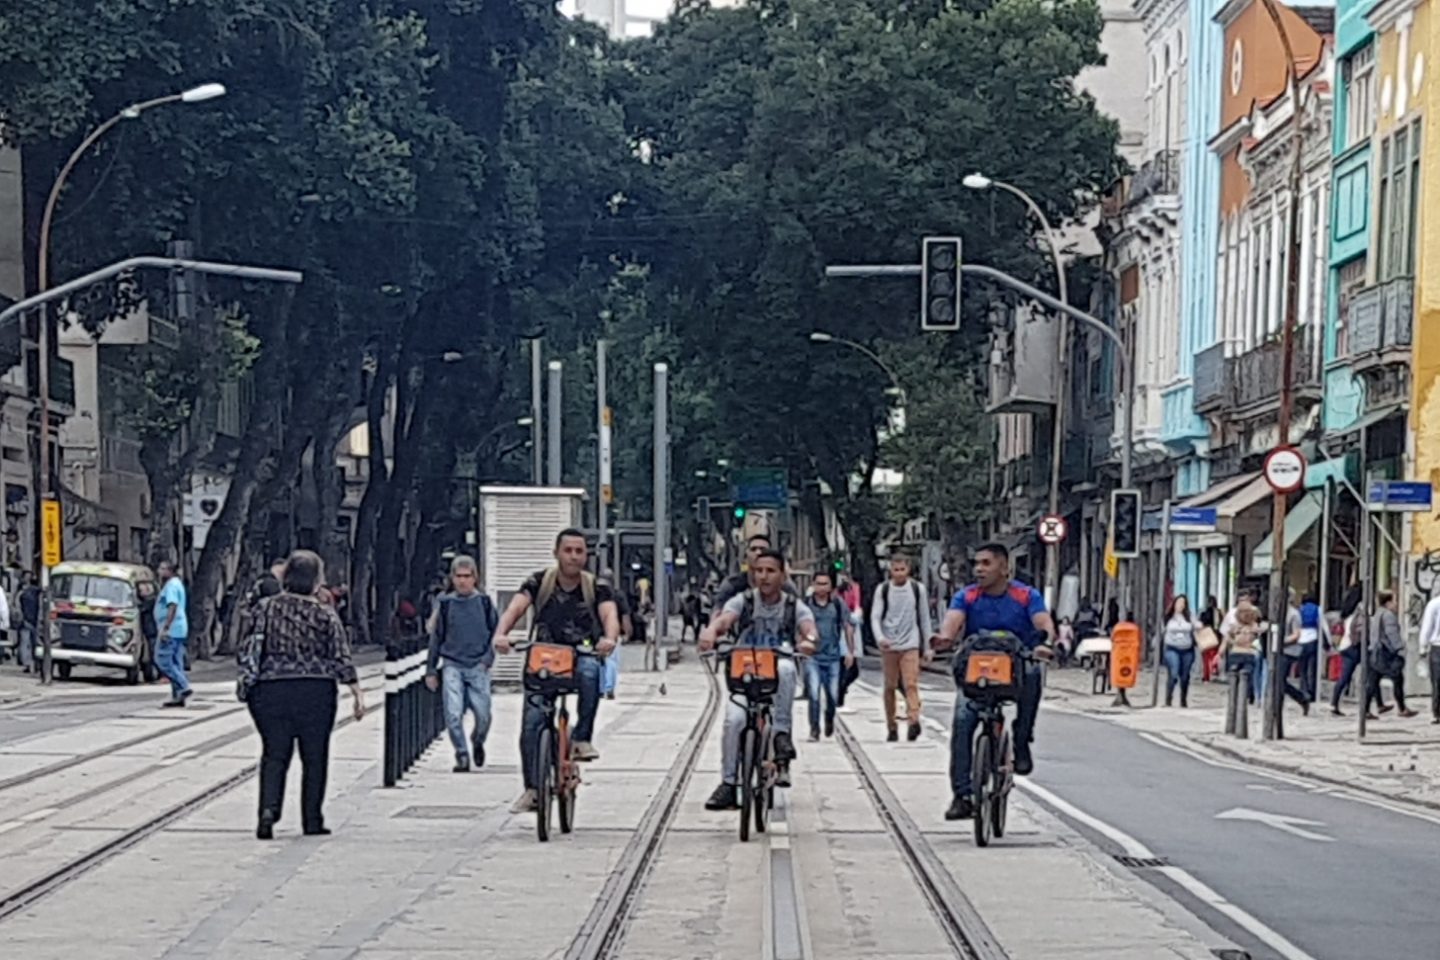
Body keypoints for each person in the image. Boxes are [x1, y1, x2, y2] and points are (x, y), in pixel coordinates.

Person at [494, 529, 619, 814]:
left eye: (579, 551)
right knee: (531, 724)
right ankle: (533, 789)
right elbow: (515, 608)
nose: (574, 556)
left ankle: (581, 739)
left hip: (581, 654)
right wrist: (501, 634)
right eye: (568, 550)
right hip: (544, 658)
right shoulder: (539, 582)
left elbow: (609, 614)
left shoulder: (596, 586)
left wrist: (609, 639)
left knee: (590, 673)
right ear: (556, 553)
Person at [246, 550, 364, 839]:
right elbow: (339, 654)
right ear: (316, 579)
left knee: (274, 753)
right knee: (315, 755)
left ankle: (268, 810)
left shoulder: (265, 608)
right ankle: (312, 819)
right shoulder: (324, 613)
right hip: (316, 689)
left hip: (271, 687)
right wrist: (356, 691)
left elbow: (248, 647)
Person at [932, 543, 1053, 821]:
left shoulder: (1026, 595)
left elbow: (1043, 624)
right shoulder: (967, 596)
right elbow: (952, 622)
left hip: (1016, 668)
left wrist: (1045, 643)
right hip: (978, 672)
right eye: (976, 563)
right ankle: (962, 795)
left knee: (1034, 674)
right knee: (963, 721)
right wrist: (943, 639)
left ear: (1004, 567)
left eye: (986, 563)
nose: (979, 569)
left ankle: (1022, 739)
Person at [699, 548, 818, 809]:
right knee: (734, 720)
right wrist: (710, 632)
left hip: (775, 678)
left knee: (786, 668)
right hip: (745, 674)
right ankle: (728, 783)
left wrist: (809, 641)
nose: (764, 576)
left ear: (782, 575)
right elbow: (724, 620)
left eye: (770, 571)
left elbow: (809, 629)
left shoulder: (793, 606)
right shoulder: (743, 601)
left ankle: (781, 735)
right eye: (759, 571)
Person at [424, 555, 498, 773]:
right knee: (453, 713)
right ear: (452, 578)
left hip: (478, 665)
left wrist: (487, 659)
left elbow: (496, 633)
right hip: (452, 664)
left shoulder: (484, 602)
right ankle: (462, 754)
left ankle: (478, 740)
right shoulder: (446, 604)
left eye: (467, 576)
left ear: (475, 577)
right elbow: (436, 638)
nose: (463, 581)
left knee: (483, 715)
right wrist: (431, 670)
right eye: (458, 576)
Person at [871, 553, 933, 742]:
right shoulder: (883, 590)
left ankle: (913, 720)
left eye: (902, 569)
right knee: (890, 686)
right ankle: (892, 726)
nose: (899, 574)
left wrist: (928, 646)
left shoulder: (917, 589)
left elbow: (924, 618)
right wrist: (880, 638)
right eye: (895, 570)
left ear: (908, 569)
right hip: (889, 645)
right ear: (890, 570)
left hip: (910, 643)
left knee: (911, 683)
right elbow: (875, 616)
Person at [804, 569, 856, 740]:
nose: (821, 587)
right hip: (812, 657)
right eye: (818, 583)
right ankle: (814, 729)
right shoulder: (806, 605)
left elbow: (848, 626)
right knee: (813, 695)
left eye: (825, 584)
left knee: (833, 695)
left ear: (830, 586)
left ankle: (829, 718)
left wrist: (850, 651)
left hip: (833, 657)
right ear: (813, 585)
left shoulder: (838, 604)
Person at [711, 532, 798, 610]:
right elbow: (717, 614)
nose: (758, 553)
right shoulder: (731, 585)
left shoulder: (783, 586)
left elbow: (798, 614)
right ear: (746, 555)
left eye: (763, 549)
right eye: (753, 549)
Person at [1365, 591, 1416, 719]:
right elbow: (1392, 634)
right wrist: (1400, 648)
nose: (1396, 604)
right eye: (1394, 601)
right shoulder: (1388, 616)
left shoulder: (1377, 614)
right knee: (1397, 678)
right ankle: (1402, 708)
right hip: (1386, 654)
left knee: (1372, 682)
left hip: (1374, 652)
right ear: (1388, 602)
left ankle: (1367, 709)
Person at [155, 560, 192, 707]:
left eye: (162, 569)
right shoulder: (177, 584)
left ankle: (183, 686)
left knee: (163, 660)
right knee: (176, 662)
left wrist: (166, 627)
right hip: (179, 629)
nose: (159, 571)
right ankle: (178, 696)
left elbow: (172, 606)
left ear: (169, 571)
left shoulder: (171, 586)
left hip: (171, 630)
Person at [599, 568, 631, 700]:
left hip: (595, 633)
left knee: (597, 660)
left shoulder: (593, 593)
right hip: (612, 633)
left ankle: (600, 688)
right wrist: (627, 632)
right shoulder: (618, 595)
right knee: (611, 660)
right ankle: (609, 688)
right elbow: (625, 616)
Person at [1162, 595, 1197, 708]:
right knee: (1174, 673)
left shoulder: (1189, 617)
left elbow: (1196, 626)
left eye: (1183, 603)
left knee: (1185, 676)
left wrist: (1198, 625)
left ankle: (1183, 699)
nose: (1181, 605)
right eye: (1179, 602)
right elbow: (1163, 630)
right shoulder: (1168, 617)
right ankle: (1168, 699)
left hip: (1187, 649)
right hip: (1172, 648)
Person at [1419, 589, 1440, 724]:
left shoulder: (1433, 604)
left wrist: (1423, 647)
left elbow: (1427, 627)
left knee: (1437, 682)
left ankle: (1436, 712)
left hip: (1437, 647)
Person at [1298, 593, 1322, 703]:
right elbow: (1323, 626)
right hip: (1313, 639)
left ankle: (1303, 690)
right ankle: (1312, 692)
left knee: (1302, 668)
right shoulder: (1318, 609)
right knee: (1312, 668)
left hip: (1301, 640)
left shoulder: (1300, 609)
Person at [17, 573, 39, 675]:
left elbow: (18, 607)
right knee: (34, 643)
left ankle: (27, 664)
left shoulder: (23, 594)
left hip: (25, 620)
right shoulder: (38, 594)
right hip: (35, 621)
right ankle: (35, 664)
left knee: (25, 643)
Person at [1199, 595, 1222, 682]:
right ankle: (1213, 670)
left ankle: (1206, 676)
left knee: (1206, 657)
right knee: (1214, 655)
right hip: (1216, 636)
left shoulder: (1204, 613)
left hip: (1206, 636)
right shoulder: (1218, 613)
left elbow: (1201, 624)